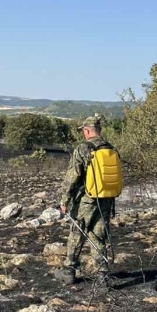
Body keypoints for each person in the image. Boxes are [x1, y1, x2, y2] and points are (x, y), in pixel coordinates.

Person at [57, 116, 119, 285]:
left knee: (77, 233)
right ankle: (102, 275)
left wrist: (64, 200)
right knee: (98, 236)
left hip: (87, 200)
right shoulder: (110, 148)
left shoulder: (83, 148)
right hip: (106, 199)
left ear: (86, 130)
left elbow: (72, 176)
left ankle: (69, 271)